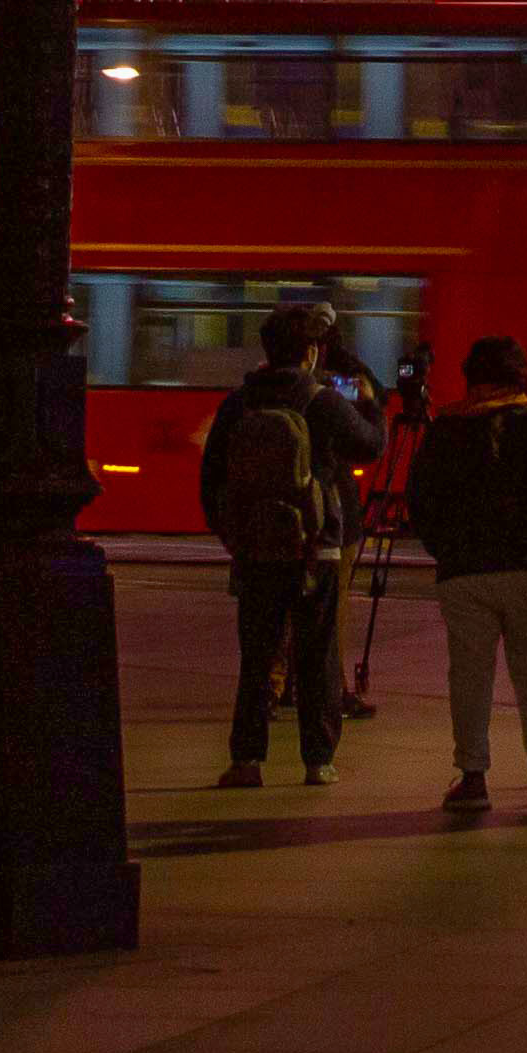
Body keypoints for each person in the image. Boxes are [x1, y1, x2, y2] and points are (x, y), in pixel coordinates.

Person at [201, 302, 384, 786]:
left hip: (256, 551)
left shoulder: (239, 402)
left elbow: (211, 476)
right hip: (316, 550)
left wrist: (233, 536)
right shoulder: (320, 400)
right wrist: (369, 401)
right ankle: (317, 760)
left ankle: (246, 760)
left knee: (257, 656)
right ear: (310, 352)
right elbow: (371, 444)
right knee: (318, 653)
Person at [405, 333, 527, 814]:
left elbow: (418, 501)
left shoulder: (446, 430)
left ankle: (473, 778)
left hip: (465, 573)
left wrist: (447, 551)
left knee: (469, 676)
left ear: (472, 380)